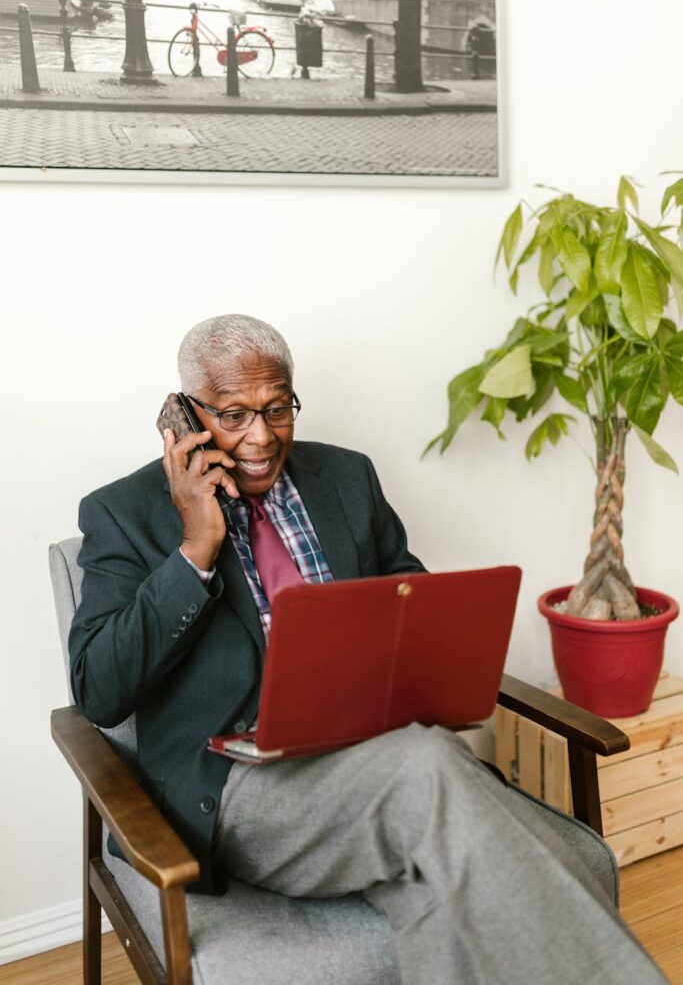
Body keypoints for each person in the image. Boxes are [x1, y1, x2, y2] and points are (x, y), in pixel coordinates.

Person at [69, 314, 666, 985]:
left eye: (276, 408)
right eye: (233, 415)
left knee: (440, 873)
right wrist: (196, 547)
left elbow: (413, 612)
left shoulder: (347, 478)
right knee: (428, 764)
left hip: (377, 753)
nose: (261, 436)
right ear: (185, 417)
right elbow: (98, 690)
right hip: (244, 787)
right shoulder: (125, 512)